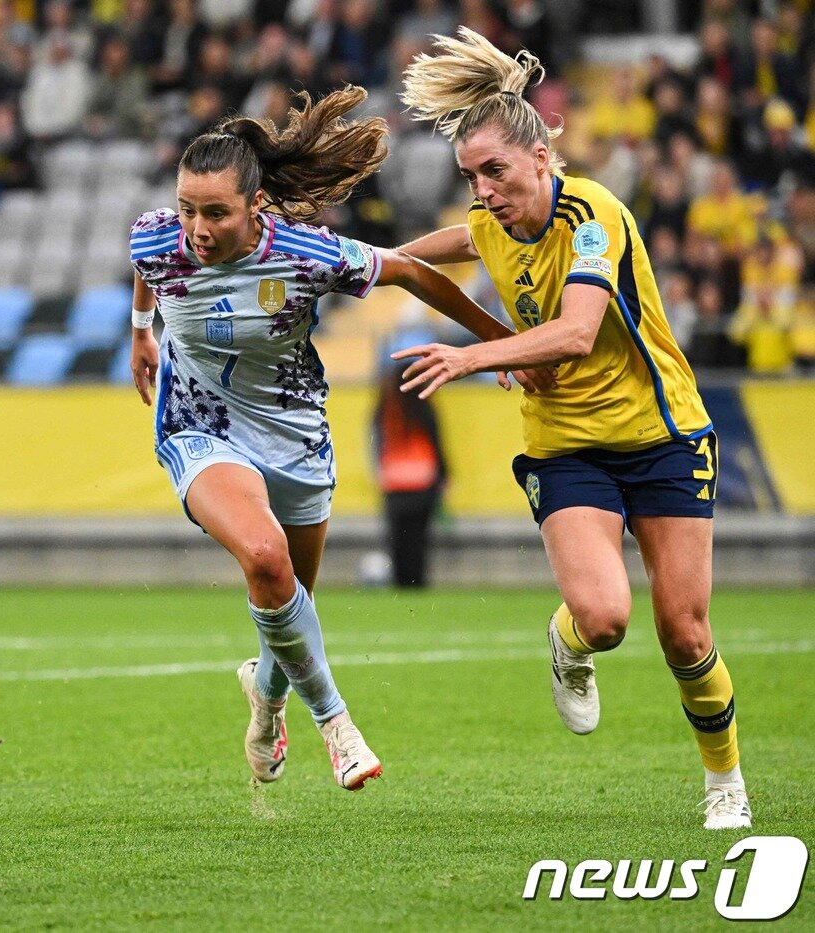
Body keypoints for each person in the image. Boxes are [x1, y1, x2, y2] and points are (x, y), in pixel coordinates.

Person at [128, 86, 542, 792]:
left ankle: (267, 700)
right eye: (189, 207)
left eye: (216, 212)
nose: (196, 227)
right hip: (200, 427)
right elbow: (149, 268)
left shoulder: (305, 253)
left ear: (255, 207)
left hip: (295, 436)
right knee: (264, 555)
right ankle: (338, 725)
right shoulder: (157, 236)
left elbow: (412, 271)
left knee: (284, 597)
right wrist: (142, 331)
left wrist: (507, 344)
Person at [394, 28, 750, 829]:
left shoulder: (595, 217)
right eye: (471, 176)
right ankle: (569, 644)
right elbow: (405, 263)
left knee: (685, 631)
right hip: (567, 445)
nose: (482, 191)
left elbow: (578, 330)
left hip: (664, 435)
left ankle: (725, 782)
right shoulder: (488, 227)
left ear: (542, 161)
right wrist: (328, 264)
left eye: (496, 171)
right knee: (605, 619)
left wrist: (472, 356)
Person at [370, 360, 446, 588]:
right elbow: (436, 443)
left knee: (397, 540)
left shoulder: (384, 409)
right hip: (423, 481)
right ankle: (417, 582)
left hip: (394, 482)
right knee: (419, 540)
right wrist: (444, 476)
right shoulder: (424, 406)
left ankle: (399, 584)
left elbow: (376, 445)